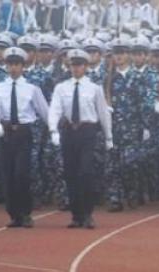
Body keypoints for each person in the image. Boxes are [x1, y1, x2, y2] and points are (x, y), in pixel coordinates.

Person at [48, 49, 113, 229]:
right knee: (70, 174)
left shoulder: (94, 88)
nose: (76, 69)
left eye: (79, 65)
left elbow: (103, 113)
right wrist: (53, 130)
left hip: (87, 131)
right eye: (73, 65)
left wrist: (109, 136)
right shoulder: (62, 87)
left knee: (86, 172)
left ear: (86, 67)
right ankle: (76, 215)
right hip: (69, 131)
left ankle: (88, 213)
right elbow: (55, 109)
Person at [0, 46, 48, 227]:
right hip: (5, 133)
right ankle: (14, 214)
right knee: (7, 175)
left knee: (21, 173)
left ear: (23, 66)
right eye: (10, 64)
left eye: (16, 64)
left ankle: (25, 212)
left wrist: (54, 130)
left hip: (23, 132)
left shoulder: (32, 88)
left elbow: (44, 111)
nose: (13, 68)